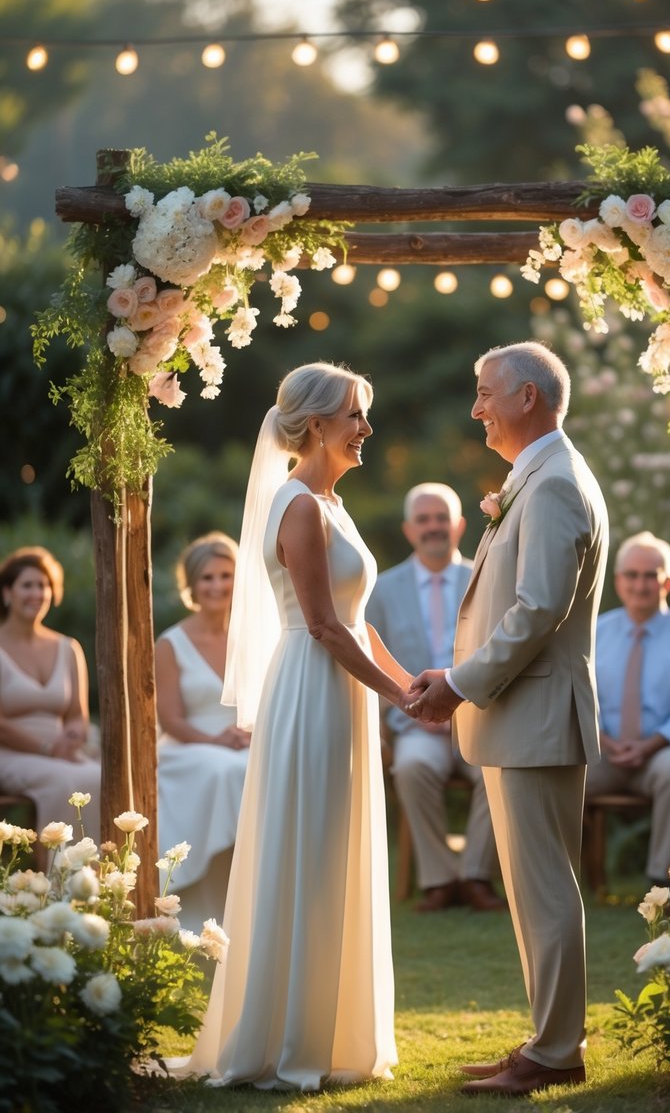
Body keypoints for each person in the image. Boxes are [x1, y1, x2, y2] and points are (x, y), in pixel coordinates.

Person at [174, 362, 414, 1091]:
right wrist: (402, 701)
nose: (365, 429)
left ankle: (335, 1032)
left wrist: (418, 687)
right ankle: (285, 1039)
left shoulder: (330, 504)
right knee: (309, 849)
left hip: (343, 690)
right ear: (315, 425)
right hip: (311, 689)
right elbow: (320, 626)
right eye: (353, 416)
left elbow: (358, 624)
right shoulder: (299, 507)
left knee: (337, 847)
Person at [408, 340, 608, 1097]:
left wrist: (458, 683)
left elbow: (536, 611)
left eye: (486, 393)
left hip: (536, 716)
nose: (476, 409)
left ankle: (557, 1053)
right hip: (522, 717)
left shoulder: (554, 482)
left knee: (545, 890)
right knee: (531, 892)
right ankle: (546, 1039)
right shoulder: (540, 475)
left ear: (528, 397)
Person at [366, 483, 502, 912]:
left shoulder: (486, 579)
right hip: (416, 725)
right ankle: (440, 879)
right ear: (409, 530)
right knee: (411, 767)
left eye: (441, 518)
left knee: (498, 773)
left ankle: (477, 876)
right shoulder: (382, 590)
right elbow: (371, 661)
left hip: (480, 718)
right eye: (423, 520)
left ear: (459, 525)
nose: (433, 527)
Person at [588, 532, 670, 894]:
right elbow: (581, 697)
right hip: (603, 751)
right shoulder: (594, 631)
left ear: (668, 580)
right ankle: (560, 878)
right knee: (554, 769)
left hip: (659, 753)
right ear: (618, 580)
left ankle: (665, 882)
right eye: (632, 575)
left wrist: (649, 747)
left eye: (651, 575)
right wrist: (604, 740)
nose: (641, 584)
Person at [156, 532, 249, 931]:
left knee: (265, 767)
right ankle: (198, 900)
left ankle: (252, 902)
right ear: (192, 585)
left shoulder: (252, 639)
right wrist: (215, 740)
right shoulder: (170, 643)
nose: (218, 586)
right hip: (187, 747)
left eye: (226, 576)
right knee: (226, 771)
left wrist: (248, 732)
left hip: (243, 740)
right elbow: (169, 719)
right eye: (208, 577)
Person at [0, 546, 100, 848]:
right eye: (27, 585)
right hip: (11, 754)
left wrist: (72, 736)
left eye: (43, 585)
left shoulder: (68, 648)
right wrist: (46, 748)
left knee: (101, 777)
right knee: (62, 783)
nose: (36, 593)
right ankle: (54, 883)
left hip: (60, 752)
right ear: (7, 593)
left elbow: (76, 713)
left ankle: (98, 879)